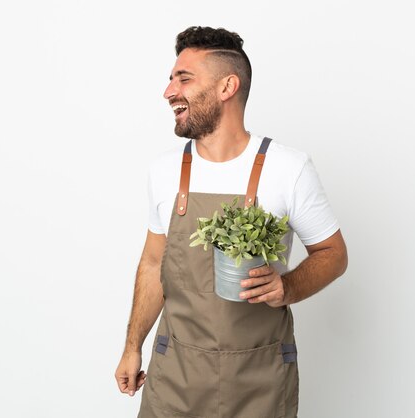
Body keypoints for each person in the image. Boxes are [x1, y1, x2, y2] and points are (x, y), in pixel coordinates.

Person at [115, 26, 348, 418]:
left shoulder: (287, 168)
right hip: (176, 377)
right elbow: (154, 263)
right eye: (171, 79)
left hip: (258, 380)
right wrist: (132, 346)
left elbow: (333, 254)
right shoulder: (164, 172)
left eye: (183, 78)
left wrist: (286, 286)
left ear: (227, 86)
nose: (169, 91)